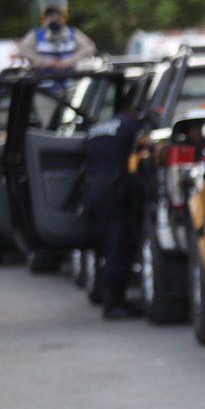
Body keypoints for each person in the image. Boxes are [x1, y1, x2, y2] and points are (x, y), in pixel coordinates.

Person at [82, 98, 148, 319]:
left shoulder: (96, 129)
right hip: (113, 192)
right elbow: (144, 149)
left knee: (102, 245)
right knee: (118, 245)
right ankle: (114, 303)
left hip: (91, 190)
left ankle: (101, 291)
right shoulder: (129, 126)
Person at [16, 0, 97, 90]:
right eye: (50, 16)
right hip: (43, 84)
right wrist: (50, 63)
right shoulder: (36, 35)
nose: (54, 19)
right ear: (44, 18)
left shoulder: (72, 33)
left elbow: (89, 47)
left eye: (57, 16)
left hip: (70, 83)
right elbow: (24, 51)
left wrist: (67, 62)